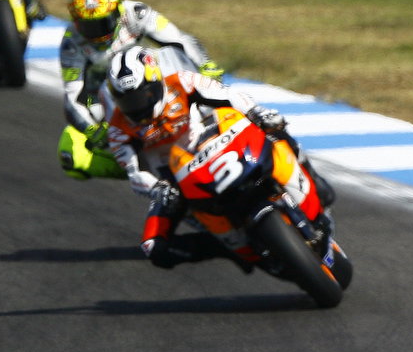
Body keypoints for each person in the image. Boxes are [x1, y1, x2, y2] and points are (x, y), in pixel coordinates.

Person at [103, 46, 330, 270]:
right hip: (174, 182)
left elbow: (227, 95)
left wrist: (256, 111)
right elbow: (134, 173)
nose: (136, 107)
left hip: (213, 144)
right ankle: (227, 249)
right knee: (154, 248)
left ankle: (310, 175)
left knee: (271, 127)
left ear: (155, 83)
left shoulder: (182, 82)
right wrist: (156, 188)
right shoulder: (118, 129)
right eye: (127, 101)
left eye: (141, 96)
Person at [58, 0, 222, 180]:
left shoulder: (137, 12)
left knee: (209, 92)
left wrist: (205, 65)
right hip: (110, 100)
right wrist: (93, 130)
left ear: (117, 9)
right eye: (87, 25)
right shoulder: (71, 43)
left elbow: (179, 40)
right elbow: (72, 96)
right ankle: (140, 168)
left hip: (151, 82)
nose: (96, 32)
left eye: (103, 22)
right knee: (70, 152)